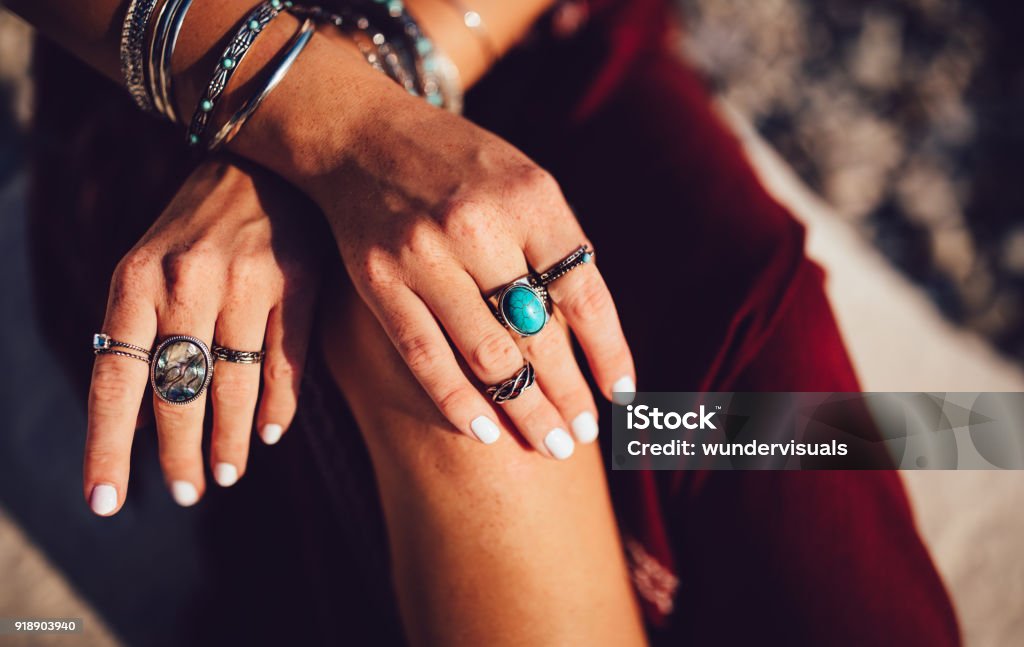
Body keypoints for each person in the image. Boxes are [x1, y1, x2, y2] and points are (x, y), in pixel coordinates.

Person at [9, 0, 960, 644]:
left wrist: (358, 110)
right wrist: (321, 127)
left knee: (757, 350)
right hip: (173, 90)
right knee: (457, 371)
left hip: (522, 41)